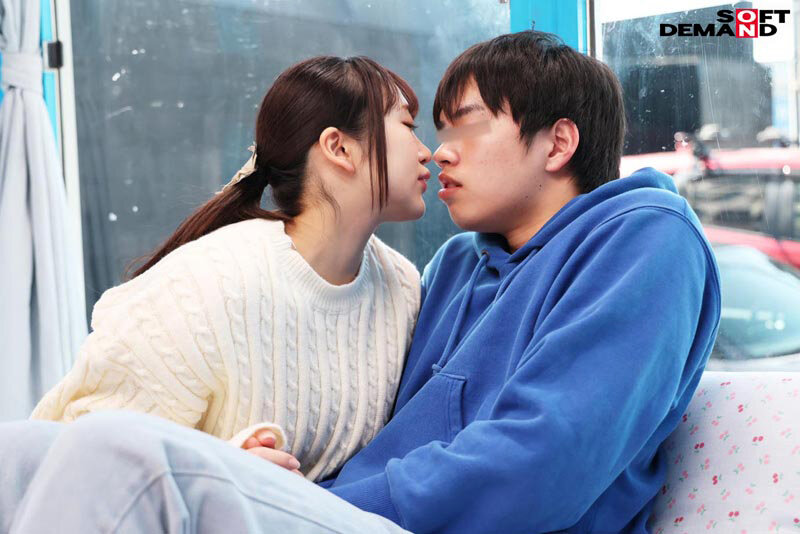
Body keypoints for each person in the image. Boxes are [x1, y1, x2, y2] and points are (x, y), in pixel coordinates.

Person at [0, 31, 720, 534]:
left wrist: (318, 500)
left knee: (120, 452)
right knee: (22, 452)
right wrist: (259, 474)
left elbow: (542, 464)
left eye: (465, 127)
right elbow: (381, 432)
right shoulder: (457, 267)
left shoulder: (644, 238)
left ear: (558, 142)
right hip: (347, 512)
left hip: (392, 522)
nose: (440, 153)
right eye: (431, 129)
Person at [28, 55, 433, 482]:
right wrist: (216, 475)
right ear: (339, 148)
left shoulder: (402, 287)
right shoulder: (205, 286)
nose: (427, 152)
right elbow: (75, 463)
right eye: (408, 127)